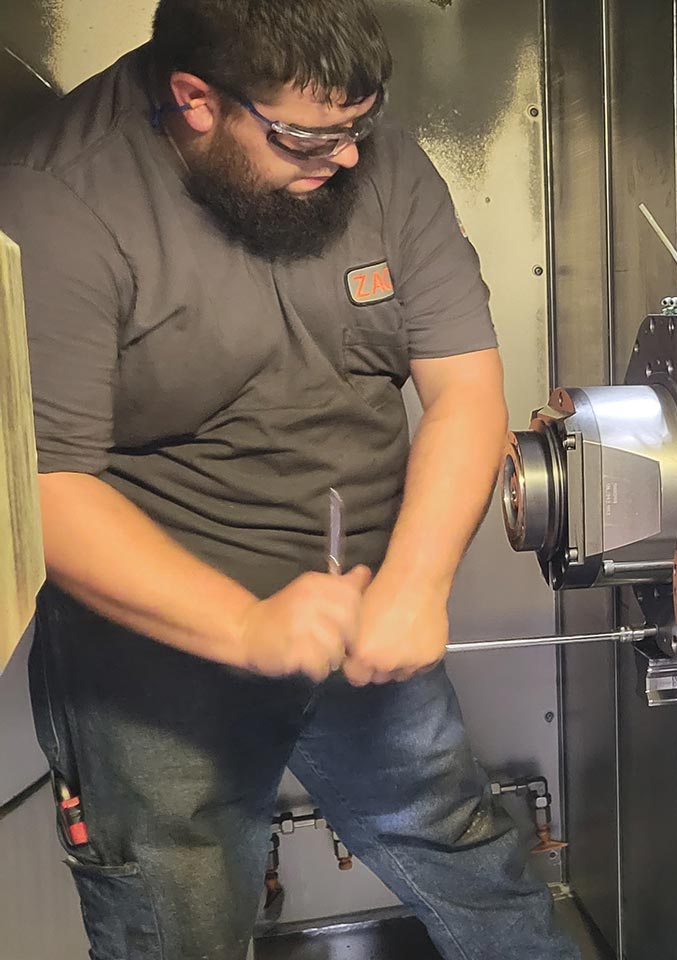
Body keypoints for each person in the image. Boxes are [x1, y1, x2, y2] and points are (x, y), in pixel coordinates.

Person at [0, 1, 579, 958]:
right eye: (310, 137)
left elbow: (466, 390)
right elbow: (39, 492)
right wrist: (244, 626)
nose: (347, 158)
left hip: (362, 613)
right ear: (196, 99)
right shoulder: (56, 199)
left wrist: (415, 585)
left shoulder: (375, 162)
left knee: (475, 866)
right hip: (155, 650)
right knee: (174, 924)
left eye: (359, 126)